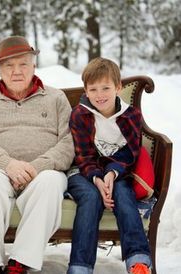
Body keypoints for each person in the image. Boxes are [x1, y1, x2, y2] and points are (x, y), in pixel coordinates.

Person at [0, 36, 74, 274]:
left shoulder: (56, 98)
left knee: (50, 181)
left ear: (34, 66)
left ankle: (20, 262)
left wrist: (37, 166)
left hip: (44, 172)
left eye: (23, 64)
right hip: (1, 170)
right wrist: (7, 164)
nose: (16, 71)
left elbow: (69, 142)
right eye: (9, 65)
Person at [67, 57, 152, 274]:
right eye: (93, 89)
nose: (99, 95)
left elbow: (130, 151)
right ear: (85, 90)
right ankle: (80, 267)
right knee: (92, 198)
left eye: (106, 88)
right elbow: (83, 154)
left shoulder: (130, 116)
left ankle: (138, 261)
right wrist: (97, 177)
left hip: (118, 173)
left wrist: (112, 174)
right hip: (83, 172)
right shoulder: (80, 115)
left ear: (118, 87)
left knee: (124, 196)